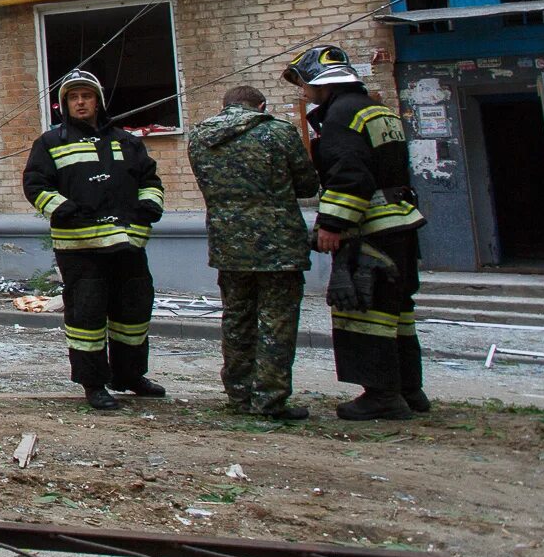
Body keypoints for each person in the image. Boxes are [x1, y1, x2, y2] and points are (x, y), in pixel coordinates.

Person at [283, 44, 429, 421]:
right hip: (401, 223)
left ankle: (381, 395)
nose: (303, 92)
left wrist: (332, 224)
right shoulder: (376, 109)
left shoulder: (341, 116)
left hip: (371, 230)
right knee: (398, 311)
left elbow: (349, 174)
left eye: (304, 84)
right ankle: (410, 389)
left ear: (320, 82)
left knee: (366, 311)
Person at [22, 68, 166, 410]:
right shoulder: (51, 143)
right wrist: (62, 208)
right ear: (64, 104)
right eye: (73, 97)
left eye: (86, 96)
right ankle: (94, 383)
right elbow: (35, 185)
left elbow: (150, 180)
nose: (81, 102)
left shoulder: (128, 141)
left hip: (128, 244)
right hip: (81, 248)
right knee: (86, 317)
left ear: (98, 101)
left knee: (133, 314)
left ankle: (129, 375)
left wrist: (149, 205)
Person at [186, 86, 320, 421]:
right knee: (276, 322)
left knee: (236, 319)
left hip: (228, 243)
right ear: (261, 106)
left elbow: (205, 183)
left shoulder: (202, 137)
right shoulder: (277, 131)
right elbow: (307, 185)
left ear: (226, 106)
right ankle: (269, 400)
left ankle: (239, 394)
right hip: (278, 245)